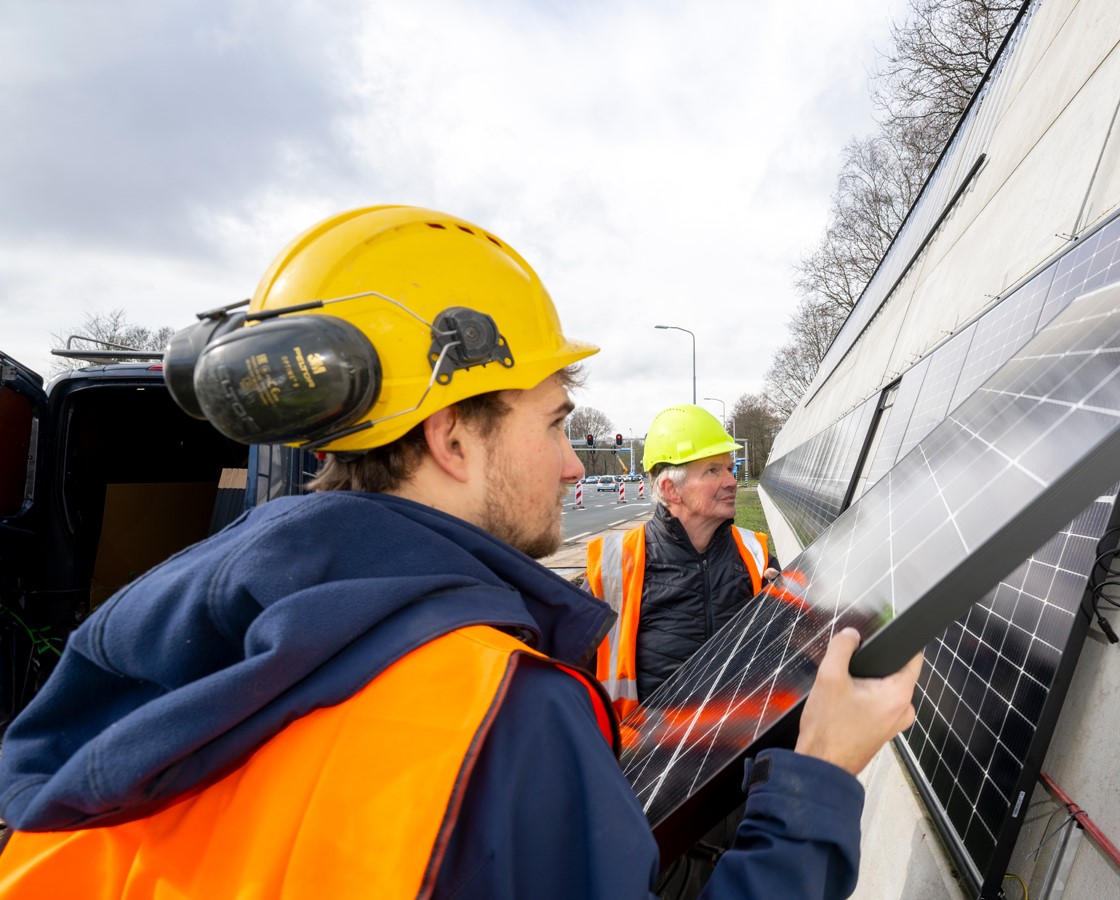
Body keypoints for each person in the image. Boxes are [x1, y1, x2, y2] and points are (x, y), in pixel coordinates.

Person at [0, 206, 921, 899]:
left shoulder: (163, 638)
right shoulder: (492, 715)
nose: (572, 464)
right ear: (452, 439)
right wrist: (821, 779)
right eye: (556, 423)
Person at [586, 404, 777, 720]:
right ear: (670, 488)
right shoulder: (613, 567)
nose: (731, 481)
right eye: (713, 471)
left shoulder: (755, 555)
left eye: (730, 468)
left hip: (745, 756)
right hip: (645, 761)